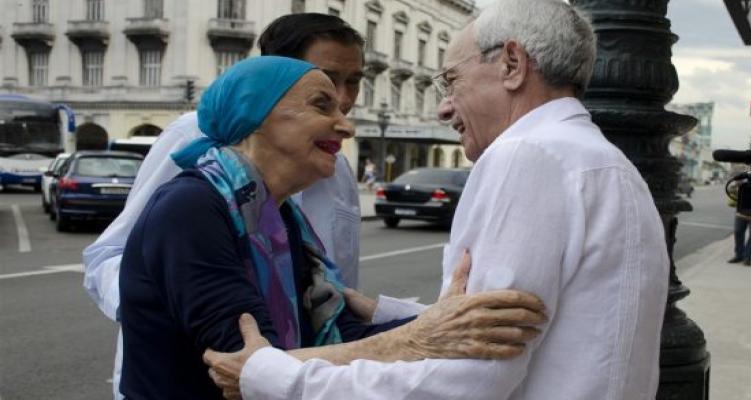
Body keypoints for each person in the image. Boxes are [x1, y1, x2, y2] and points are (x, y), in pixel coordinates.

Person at [203, 1, 669, 399]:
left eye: (451, 80)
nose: (445, 106)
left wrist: (277, 376)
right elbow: (523, 327)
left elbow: (472, 371)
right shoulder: (607, 163)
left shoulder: (526, 155)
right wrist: (388, 313)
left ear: (512, 64)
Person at [119, 56, 546, 399]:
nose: (346, 125)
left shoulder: (280, 215)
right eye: (322, 106)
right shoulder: (190, 207)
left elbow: (338, 333)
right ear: (255, 114)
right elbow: (246, 366)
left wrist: (444, 322)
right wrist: (417, 338)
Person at [84, 14, 378, 398]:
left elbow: (330, 294)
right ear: (261, 98)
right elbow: (116, 253)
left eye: (353, 81)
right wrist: (163, 305)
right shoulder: (194, 157)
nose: (345, 105)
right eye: (325, 90)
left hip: (309, 378)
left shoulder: (326, 169)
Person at [727, 178, 751, 266]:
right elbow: (730, 190)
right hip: (741, 210)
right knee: (738, 232)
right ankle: (739, 255)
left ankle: (748, 257)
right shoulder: (743, 178)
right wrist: (736, 184)